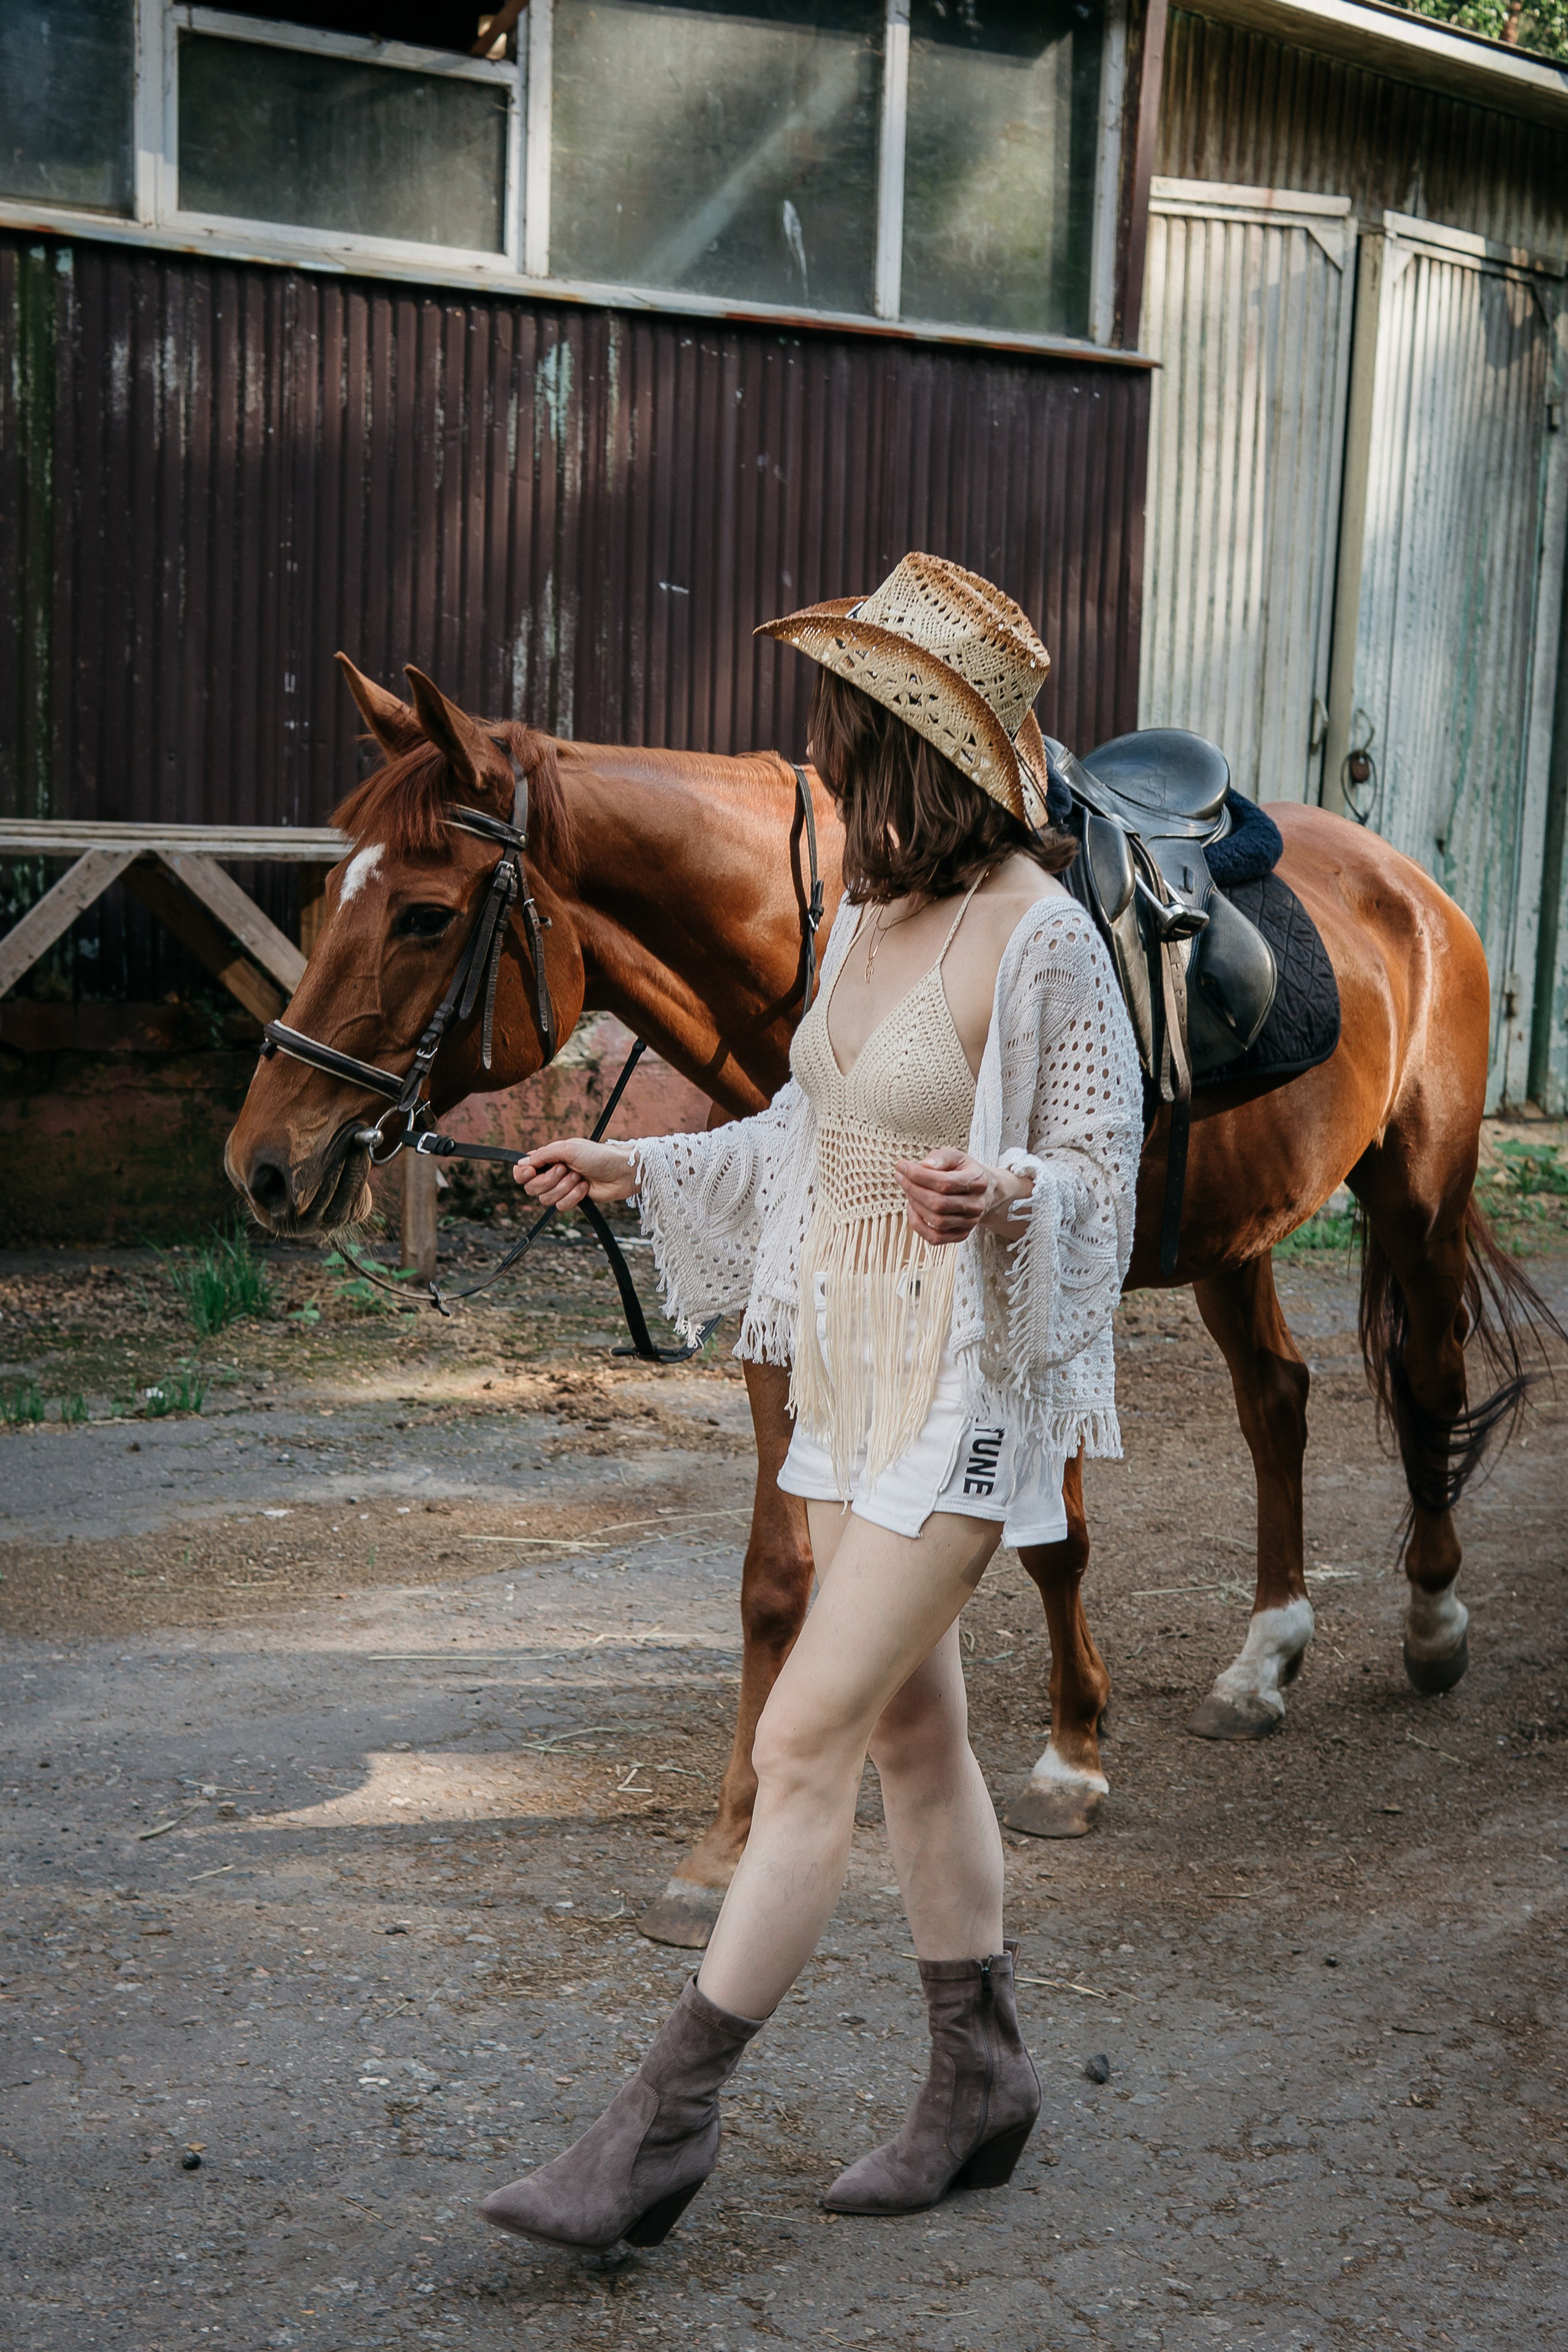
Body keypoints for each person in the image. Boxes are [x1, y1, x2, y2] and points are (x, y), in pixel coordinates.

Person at [480, 552, 1142, 2252]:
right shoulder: (867, 920)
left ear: (917, 745)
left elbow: (1097, 1172)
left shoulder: (1043, 937)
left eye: (846, 728)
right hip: (848, 1377)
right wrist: (632, 1159)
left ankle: (657, 2134)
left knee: (800, 1740)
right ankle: (981, 2077)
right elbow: (807, 1141)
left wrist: (1006, 1200)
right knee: (917, 1734)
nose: (822, 754)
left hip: (970, 1391)